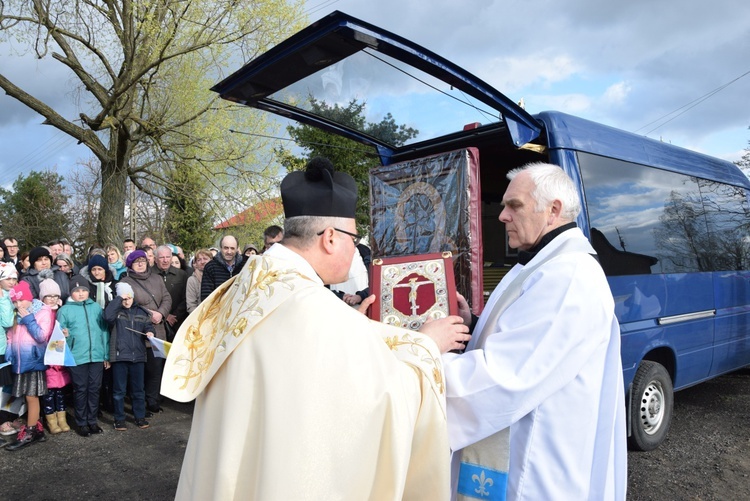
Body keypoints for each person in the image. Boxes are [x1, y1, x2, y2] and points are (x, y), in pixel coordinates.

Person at [162, 157, 470, 500]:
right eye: (354, 239)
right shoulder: (310, 306)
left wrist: (359, 325)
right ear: (330, 238)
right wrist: (426, 346)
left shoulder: (249, 284)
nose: (356, 250)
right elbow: (377, 399)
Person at [443, 163, 627, 500]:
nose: (502, 216)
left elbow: (506, 376)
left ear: (553, 210)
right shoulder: (540, 264)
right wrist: (472, 324)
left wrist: (422, 357)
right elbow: (520, 336)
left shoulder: (568, 276)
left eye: (514, 206)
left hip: (535, 465)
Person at [4, 281, 55, 450]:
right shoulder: (15, 313)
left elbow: (41, 336)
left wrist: (29, 319)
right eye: (15, 302)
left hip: (33, 361)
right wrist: (10, 351)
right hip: (20, 361)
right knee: (27, 396)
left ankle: (31, 431)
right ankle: (37, 429)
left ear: (29, 298)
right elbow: (11, 334)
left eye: (21, 300)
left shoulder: (43, 311)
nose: (18, 305)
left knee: (31, 397)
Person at [120, 250, 171, 415]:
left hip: (158, 329)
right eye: (136, 261)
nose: (141, 263)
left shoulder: (156, 278)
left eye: (143, 260)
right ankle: (139, 405)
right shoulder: (126, 282)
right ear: (130, 265)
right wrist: (151, 314)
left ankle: (153, 400)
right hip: (139, 332)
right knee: (140, 372)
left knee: (156, 368)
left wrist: (161, 313)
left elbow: (167, 298)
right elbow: (130, 304)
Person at [57, 275, 110, 437]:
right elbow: (58, 336)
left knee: (95, 389)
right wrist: (65, 335)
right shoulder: (64, 310)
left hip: (96, 356)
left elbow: (104, 332)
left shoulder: (96, 308)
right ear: (71, 293)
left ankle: (92, 421)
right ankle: (82, 422)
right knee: (81, 389)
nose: (80, 294)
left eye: (84, 290)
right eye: (76, 291)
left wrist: (106, 355)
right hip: (76, 357)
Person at [105, 282, 153, 431]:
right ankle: (119, 419)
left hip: (138, 356)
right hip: (120, 357)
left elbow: (148, 326)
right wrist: (118, 300)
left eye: (128, 298)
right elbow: (107, 316)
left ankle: (140, 417)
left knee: (138, 390)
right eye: (123, 298)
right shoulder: (116, 312)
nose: (126, 301)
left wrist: (151, 332)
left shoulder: (141, 312)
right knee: (119, 391)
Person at [38, 275, 71, 435]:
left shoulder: (60, 312)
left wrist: (65, 333)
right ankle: (51, 420)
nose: (52, 299)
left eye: (55, 296)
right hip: (46, 357)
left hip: (59, 356)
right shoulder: (39, 313)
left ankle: (62, 418)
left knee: (60, 390)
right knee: (49, 392)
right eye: (49, 296)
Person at [154, 245, 188, 342]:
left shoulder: (181, 274)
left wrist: (175, 315)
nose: (165, 260)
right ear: (156, 259)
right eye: (161, 257)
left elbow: (186, 297)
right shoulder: (150, 274)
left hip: (178, 321)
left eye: (168, 257)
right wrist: (165, 315)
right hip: (158, 321)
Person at [199, 235, 245, 301]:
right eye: (226, 248)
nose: (229, 252)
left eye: (232, 248)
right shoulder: (210, 267)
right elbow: (206, 297)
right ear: (221, 248)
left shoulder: (245, 265)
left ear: (237, 249)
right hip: (218, 308)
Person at [185, 249, 211, 314]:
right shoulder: (192, 280)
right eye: (199, 260)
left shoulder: (217, 275)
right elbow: (191, 305)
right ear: (195, 263)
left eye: (205, 259)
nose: (202, 262)